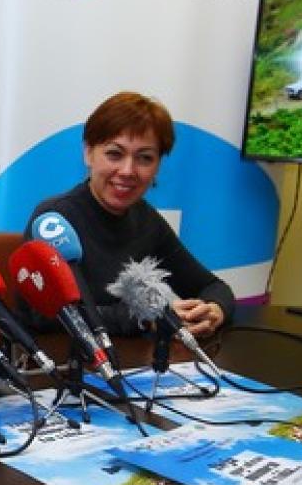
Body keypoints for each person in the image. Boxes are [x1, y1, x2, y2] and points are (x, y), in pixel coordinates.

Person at [25, 91, 232, 338]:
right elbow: (44, 316)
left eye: (145, 158)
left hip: (132, 366)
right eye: (115, 154)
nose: (128, 170)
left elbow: (213, 287)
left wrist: (212, 311)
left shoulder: (145, 219)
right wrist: (147, 318)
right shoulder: (53, 219)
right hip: (64, 366)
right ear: (88, 153)